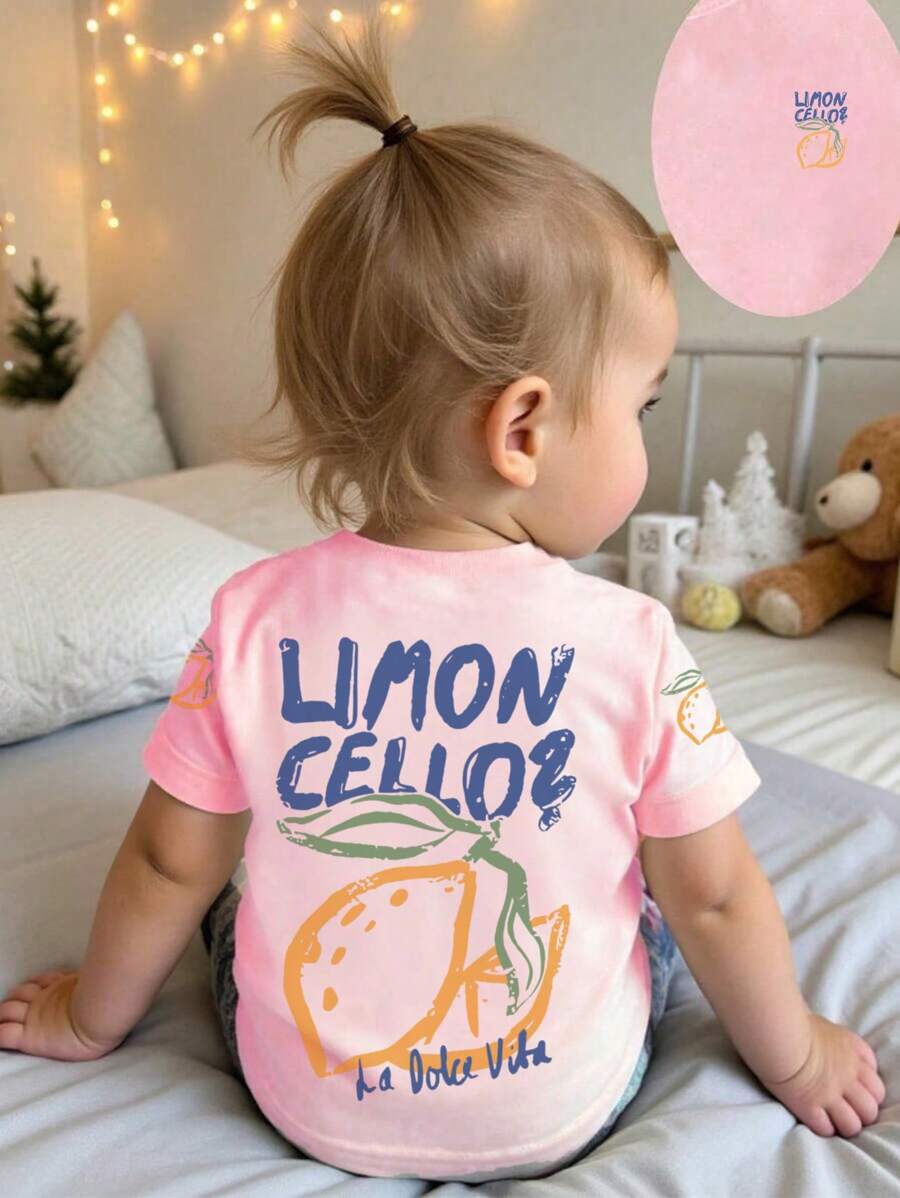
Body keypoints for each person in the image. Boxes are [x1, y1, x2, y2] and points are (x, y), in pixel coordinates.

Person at [0, 9, 884, 1185]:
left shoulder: (252, 617)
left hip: (305, 1097)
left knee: (229, 891)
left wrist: (88, 1017)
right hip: (562, 1103)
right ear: (523, 430)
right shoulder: (630, 640)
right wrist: (802, 1055)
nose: (643, 435)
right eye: (642, 406)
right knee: (656, 895)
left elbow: (169, 860)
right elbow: (716, 898)